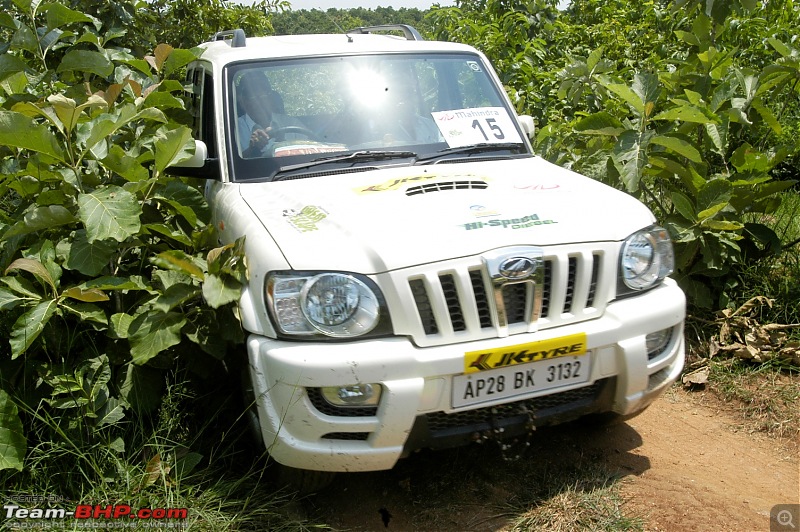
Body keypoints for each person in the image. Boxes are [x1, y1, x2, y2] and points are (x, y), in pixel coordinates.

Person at [235, 71, 304, 158]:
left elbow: (314, 151)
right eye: (252, 96)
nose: (259, 101)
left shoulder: (292, 124)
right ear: (242, 101)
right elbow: (231, 165)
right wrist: (252, 149)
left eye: (264, 94)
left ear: (271, 97)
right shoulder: (234, 131)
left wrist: (284, 143)